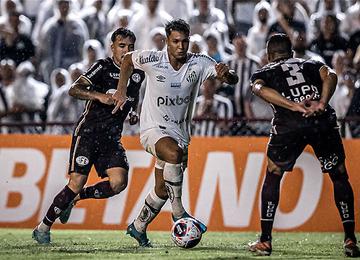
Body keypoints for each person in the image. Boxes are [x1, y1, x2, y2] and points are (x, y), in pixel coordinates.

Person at [112, 19, 238, 247]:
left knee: (162, 189)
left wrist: (226, 74)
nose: (181, 46)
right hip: (152, 130)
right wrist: (121, 89)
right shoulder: (153, 59)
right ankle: (179, 213)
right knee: (173, 155)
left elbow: (231, 78)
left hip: (180, 134)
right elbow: (128, 59)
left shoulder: (199, 63)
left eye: (185, 41)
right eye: (176, 41)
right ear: (167, 41)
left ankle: (138, 227)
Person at [248, 33, 360, 257]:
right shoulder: (311, 63)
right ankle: (350, 239)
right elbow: (330, 75)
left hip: (288, 125)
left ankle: (265, 240)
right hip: (322, 121)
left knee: (274, 173)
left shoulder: (264, 71)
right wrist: (322, 102)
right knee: (339, 175)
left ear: (269, 56)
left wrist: (292, 106)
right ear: (291, 53)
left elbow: (259, 90)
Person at [32, 28, 145, 244]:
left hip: (111, 138)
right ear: (112, 47)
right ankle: (43, 227)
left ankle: (75, 198)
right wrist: (99, 96)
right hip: (88, 134)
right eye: (122, 46)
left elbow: (133, 97)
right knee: (76, 181)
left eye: (131, 47)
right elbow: (74, 89)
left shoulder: (137, 73)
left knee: (119, 182)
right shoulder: (102, 67)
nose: (126, 51)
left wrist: (133, 112)